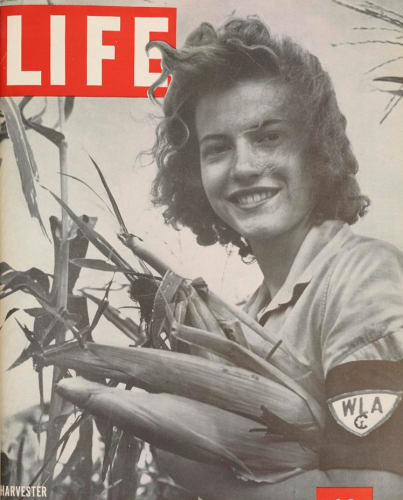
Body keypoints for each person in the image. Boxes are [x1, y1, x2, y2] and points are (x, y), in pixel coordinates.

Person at [147, 17, 403, 499]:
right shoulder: (247, 315)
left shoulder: (363, 279)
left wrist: (212, 478)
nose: (243, 167)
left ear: (316, 148)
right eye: (217, 148)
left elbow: (370, 495)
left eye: (268, 137)